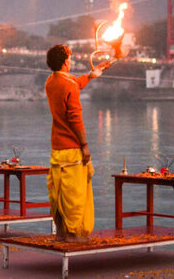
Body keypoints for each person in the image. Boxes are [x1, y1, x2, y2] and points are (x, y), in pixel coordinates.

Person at [44, 44, 108, 242]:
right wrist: (85, 146)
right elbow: (75, 119)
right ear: (65, 62)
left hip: (57, 147)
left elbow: (74, 82)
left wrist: (91, 75)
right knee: (74, 192)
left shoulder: (50, 81)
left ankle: (61, 232)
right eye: (69, 59)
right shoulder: (68, 84)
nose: (70, 62)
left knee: (59, 192)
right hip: (72, 147)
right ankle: (73, 234)